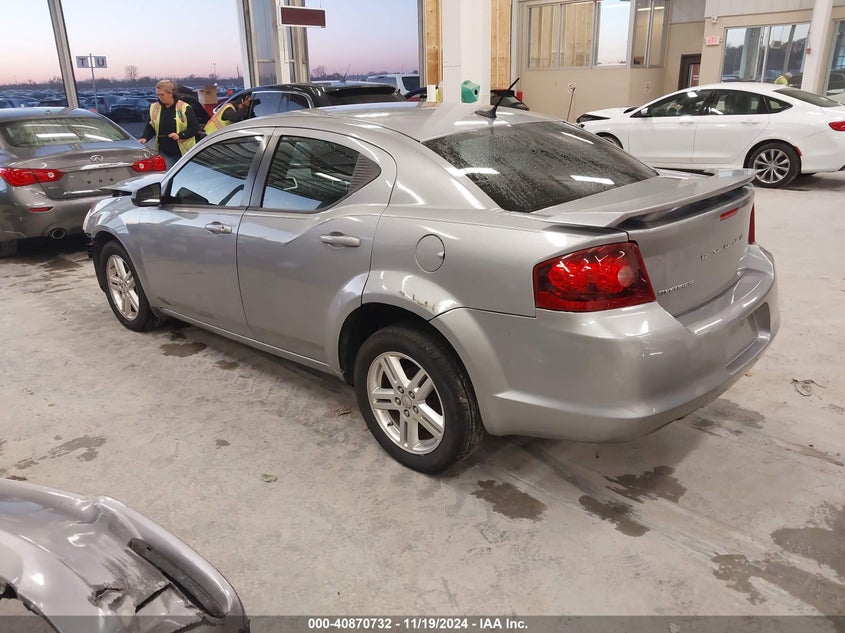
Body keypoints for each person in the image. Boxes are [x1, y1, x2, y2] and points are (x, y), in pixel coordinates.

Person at [139, 80, 200, 169]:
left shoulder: (184, 107)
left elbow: (195, 128)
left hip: (183, 152)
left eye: (162, 95)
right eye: (158, 95)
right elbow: (151, 126)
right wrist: (145, 137)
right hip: (164, 151)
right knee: (169, 174)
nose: (160, 97)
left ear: (170, 93)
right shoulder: (154, 107)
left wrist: (179, 135)